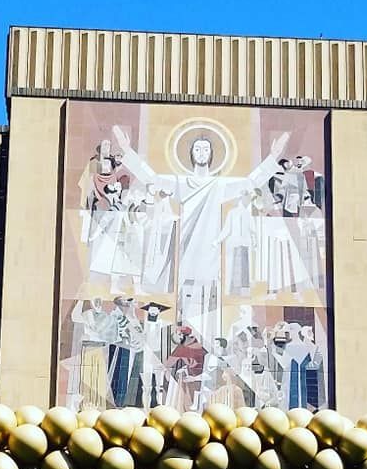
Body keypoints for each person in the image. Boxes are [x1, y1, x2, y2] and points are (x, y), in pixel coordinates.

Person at [111, 125, 290, 343]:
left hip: (210, 255)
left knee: (209, 305)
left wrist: (273, 157)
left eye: (206, 149)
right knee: (184, 305)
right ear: (191, 154)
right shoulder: (181, 183)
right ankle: (181, 342)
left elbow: (250, 182)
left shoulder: (220, 185)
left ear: (212, 154)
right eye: (197, 149)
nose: (202, 153)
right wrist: (127, 151)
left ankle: (208, 345)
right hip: (186, 252)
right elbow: (153, 179)